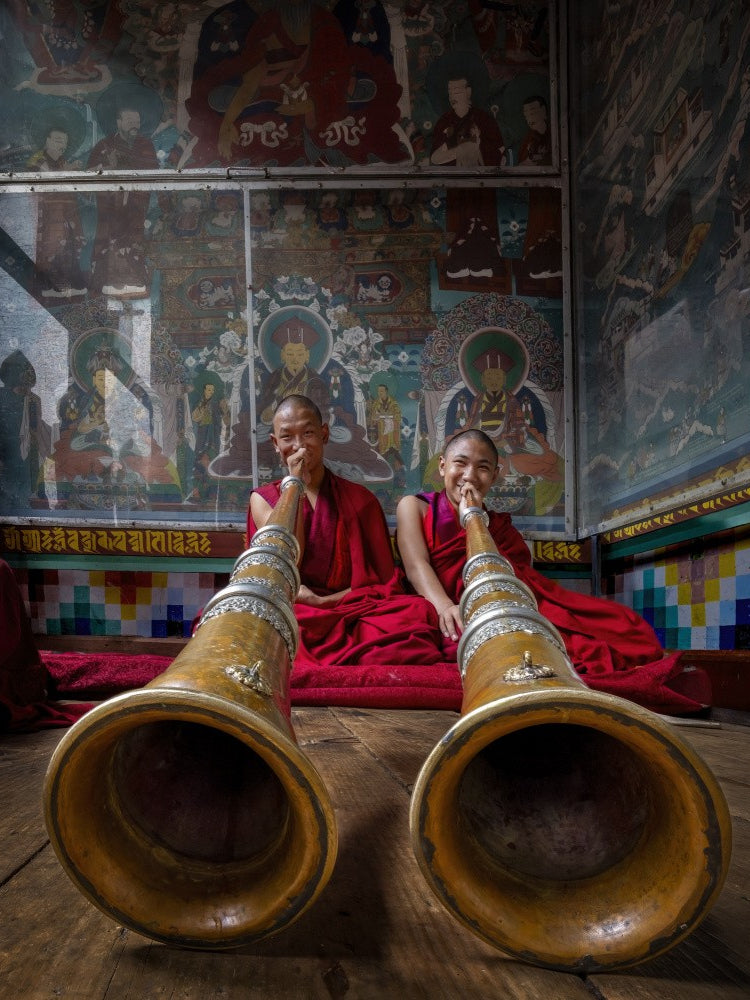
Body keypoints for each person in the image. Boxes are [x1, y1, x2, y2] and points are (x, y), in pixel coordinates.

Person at [396, 429, 707, 715]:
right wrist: (445, 606)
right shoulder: (415, 506)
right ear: (442, 466)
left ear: (495, 475)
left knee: (620, 626)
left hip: (501, 603)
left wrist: (475, 516)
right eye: (460, 464)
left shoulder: (498, 526)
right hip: (442, 602)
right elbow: (416, 565)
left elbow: (520, 579)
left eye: (483, 468)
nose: (469, 476)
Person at [247, 394, 446, 671]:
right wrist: (294, 487)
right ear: (275, 443)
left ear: (325, 434)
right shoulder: (263, 499)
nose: (299, 445)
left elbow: (383, 586)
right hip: (296, 610)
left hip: (351, 609)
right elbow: (287, 559)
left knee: (417, 613)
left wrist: (323, 601)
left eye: (308, 433)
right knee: (264, 625)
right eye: (287, 437)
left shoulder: (361, 501)